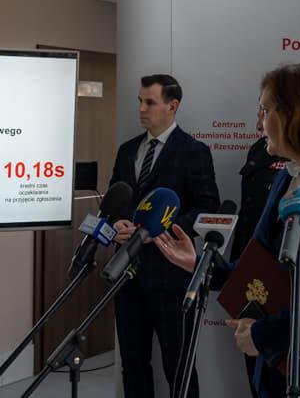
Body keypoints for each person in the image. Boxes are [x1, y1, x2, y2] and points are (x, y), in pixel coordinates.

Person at [156, 63, 300, 398]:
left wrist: (263, 335)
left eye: (265, 111)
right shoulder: (286, 176)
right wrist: (199, 265)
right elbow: (262, 269)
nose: (258, 124)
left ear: (297, 113)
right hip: (277, 369)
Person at [110, 74, 220, 398]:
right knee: (132, 365)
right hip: (126, 275)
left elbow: (207, 208)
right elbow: (116, 201)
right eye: (140, 101)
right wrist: (117, 224)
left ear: (172, 106)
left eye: (150, 102)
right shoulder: (127, 150)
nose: (141, 109)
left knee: (179, 366)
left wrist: (158, 230)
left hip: (171, 276)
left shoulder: (193, 151)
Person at [234, 109, 286, 398]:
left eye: (265, 113)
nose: (257, 125)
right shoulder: (259, 151)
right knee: (257, 380)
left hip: (291, 302)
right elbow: (249, 221)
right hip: (254, 281)